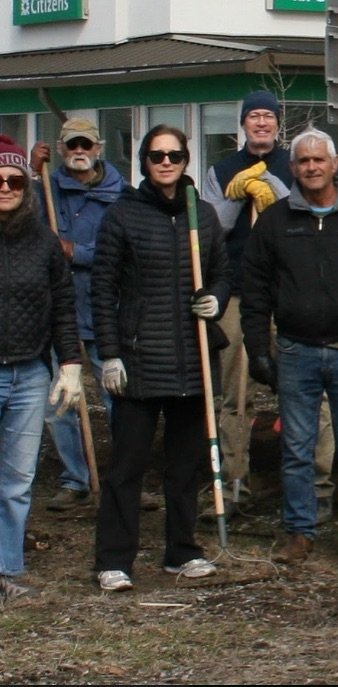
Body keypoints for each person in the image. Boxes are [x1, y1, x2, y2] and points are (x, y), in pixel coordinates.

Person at [240, 127, 338, 574]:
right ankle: (299, 531)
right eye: (303, 161)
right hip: (296, 351)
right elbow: (254, 291)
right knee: (296, 448)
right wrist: (258, 349)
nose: (311, 167)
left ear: (334, 165)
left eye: (319, 160)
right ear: (292, 169)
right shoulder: (275, 222)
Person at [91, 125, 229, 592]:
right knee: (126, 467)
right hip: (139, 360)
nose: (166, 162)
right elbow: (103, 288)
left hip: (192, 361)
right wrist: (109, 354)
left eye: (174, 155)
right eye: (156, 156)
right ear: (144, 162)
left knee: (185, 466)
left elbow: (223, 273)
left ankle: (182, 552)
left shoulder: (202, 216)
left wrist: (216, 299)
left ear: (186, 159)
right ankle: (114, 559)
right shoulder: (123, 216)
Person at [199, 90, 336, 523]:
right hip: (240, 293)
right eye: (253, 116)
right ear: (243, 123)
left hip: (293, 292)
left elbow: (309, 209)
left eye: (268, 117)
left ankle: (318, 485)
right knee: (236, 395)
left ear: (278, 124)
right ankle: (233, 481)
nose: (261, 123)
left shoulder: (296, 164)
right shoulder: (221, 170)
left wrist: (272, 188)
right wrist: (237, 193)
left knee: (310, 392)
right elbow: (210, 227)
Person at [0, 135, 82, 600]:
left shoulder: (43, 240)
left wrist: (69, 362)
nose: (7, 187)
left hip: (30, 374)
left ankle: (7, 569)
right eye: (0, 180)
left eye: (14, 179)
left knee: (16, 481)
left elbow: (63, 305)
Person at [29, 118, 124, 511]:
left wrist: (75, 251)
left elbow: (121, 251)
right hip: (57, 309)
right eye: (71, 146)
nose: (79, 151)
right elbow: (17, 214)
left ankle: (123, 477)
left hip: (103, 306)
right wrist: (32, 169)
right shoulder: (46, 189)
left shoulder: (120, 196)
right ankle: (75, 479)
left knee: (117, 395)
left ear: (98, 147)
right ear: (62, 149)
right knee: (60, 401)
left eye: (86, 144)